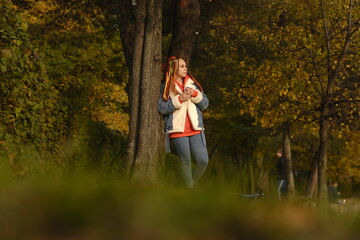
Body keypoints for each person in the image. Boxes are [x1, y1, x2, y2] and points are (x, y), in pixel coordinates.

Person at [157, 56, 209, 188]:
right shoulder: (166, 86)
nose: (185, 68)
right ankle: (189, 191)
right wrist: (179, 99)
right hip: (176, 130)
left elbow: (205, 104)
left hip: (196, 129)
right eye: (182, 66)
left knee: (203, 161)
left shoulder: (193, 84)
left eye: (185, 66)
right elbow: (162, 108)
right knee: (185, 161)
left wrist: (195, 94)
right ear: (173, 68)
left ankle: (187, 185)